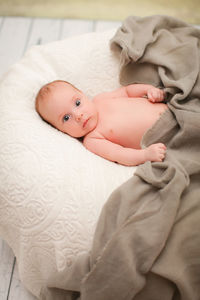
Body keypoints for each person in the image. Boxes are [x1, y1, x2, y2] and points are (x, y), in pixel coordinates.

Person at [35, 80, 168, 166]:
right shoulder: (92, 140)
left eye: (77, 103)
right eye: (66, 118)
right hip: (168, 135)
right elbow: (119, 154)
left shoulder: (101, 99)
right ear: (61, 131)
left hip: (170, 107)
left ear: (83, 94)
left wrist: (148, 90)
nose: (78, 116)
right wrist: (145, 155)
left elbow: (127, 91)